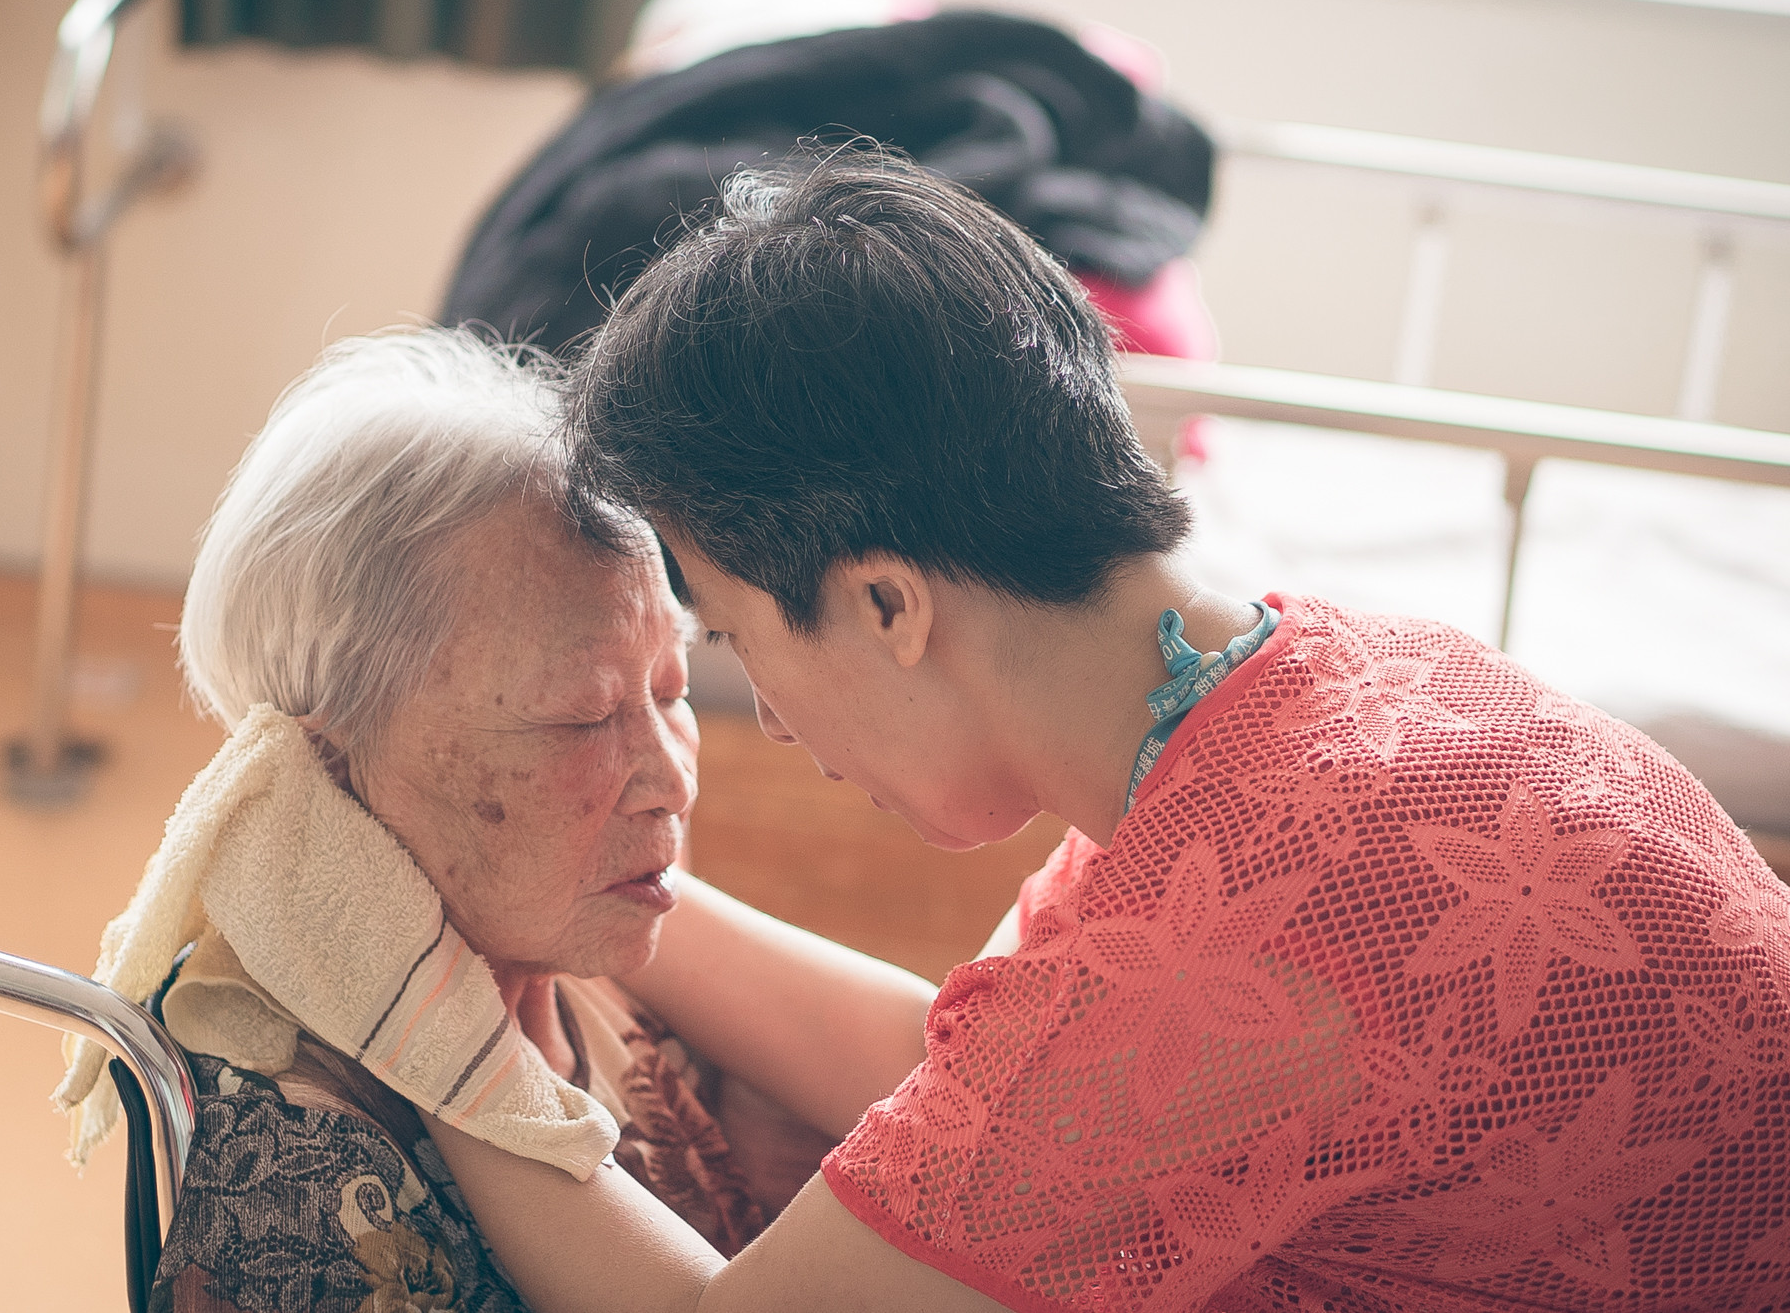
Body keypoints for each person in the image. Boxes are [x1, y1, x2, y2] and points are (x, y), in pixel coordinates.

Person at [406, 148, 1790, 1313]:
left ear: (886, 600)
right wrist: (595, 879)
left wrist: (424, 1016)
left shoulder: (1238, 933)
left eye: (733, 637)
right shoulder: (1310, 681)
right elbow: (967, 1079)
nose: (767, 717)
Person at [123, 329, 891, 1312]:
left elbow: (943, 1080)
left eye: (672, 687)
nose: (670, 778)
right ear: (325, 765)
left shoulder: (583, 937)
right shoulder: (298, 1181)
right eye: (579, 714)